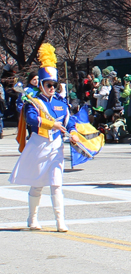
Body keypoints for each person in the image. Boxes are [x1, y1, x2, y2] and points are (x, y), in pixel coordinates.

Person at [9, 43, 80, 232]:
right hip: (39, 145)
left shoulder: (60, 103)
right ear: (41, 85)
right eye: (48, 85)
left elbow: (69, 121)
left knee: (56, 184)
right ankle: (32, 219)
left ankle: (60, 222)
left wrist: (72, 133)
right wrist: (51, 124)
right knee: (37, 185)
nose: (52, 88)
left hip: (56, 147)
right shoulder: (34, 101)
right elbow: (31, 119)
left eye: (54, 85)